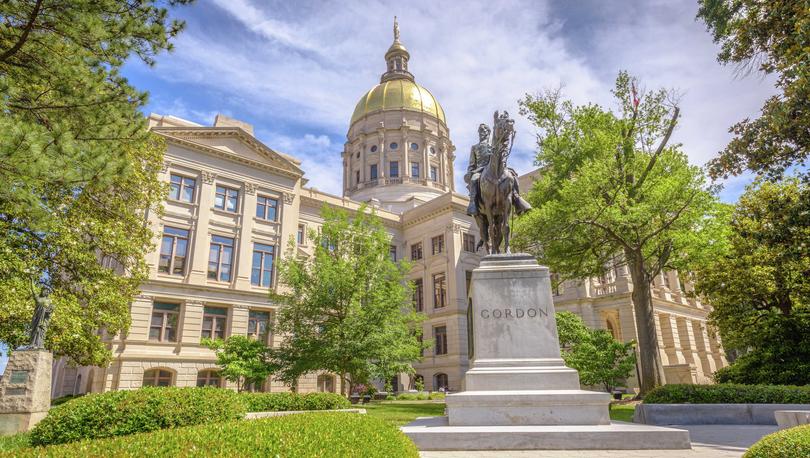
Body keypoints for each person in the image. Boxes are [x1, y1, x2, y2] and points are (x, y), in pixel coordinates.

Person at [464, 123, 531, 216]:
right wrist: (470, 173)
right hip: (480, 170)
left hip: (495, 167)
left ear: (488, 132)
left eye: (483, 130)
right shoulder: (475, 147)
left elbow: (502, 154)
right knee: (474, 179)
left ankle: (517, 198)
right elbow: (472, 164)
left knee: (512, 175)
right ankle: (473, 203)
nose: (481, 133)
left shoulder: (494, 145)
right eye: (480, 131)